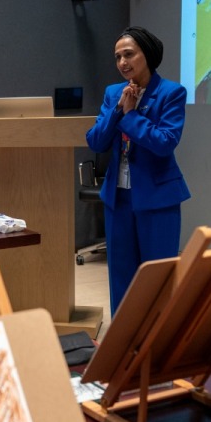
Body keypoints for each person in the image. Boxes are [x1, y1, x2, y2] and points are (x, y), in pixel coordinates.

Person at [86, 27, 190, 316]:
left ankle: (158, 336)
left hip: (157, 198)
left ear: (148, 55)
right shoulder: (113, 93)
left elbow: (164, 143)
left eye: (129, 54)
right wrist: (119, 110)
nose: (122, 62)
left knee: (157, 276)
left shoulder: (171, 92)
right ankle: (124, 334)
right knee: (120, 273)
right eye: (118, 57)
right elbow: (96, 141)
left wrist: (131, 116)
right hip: (117, 197)